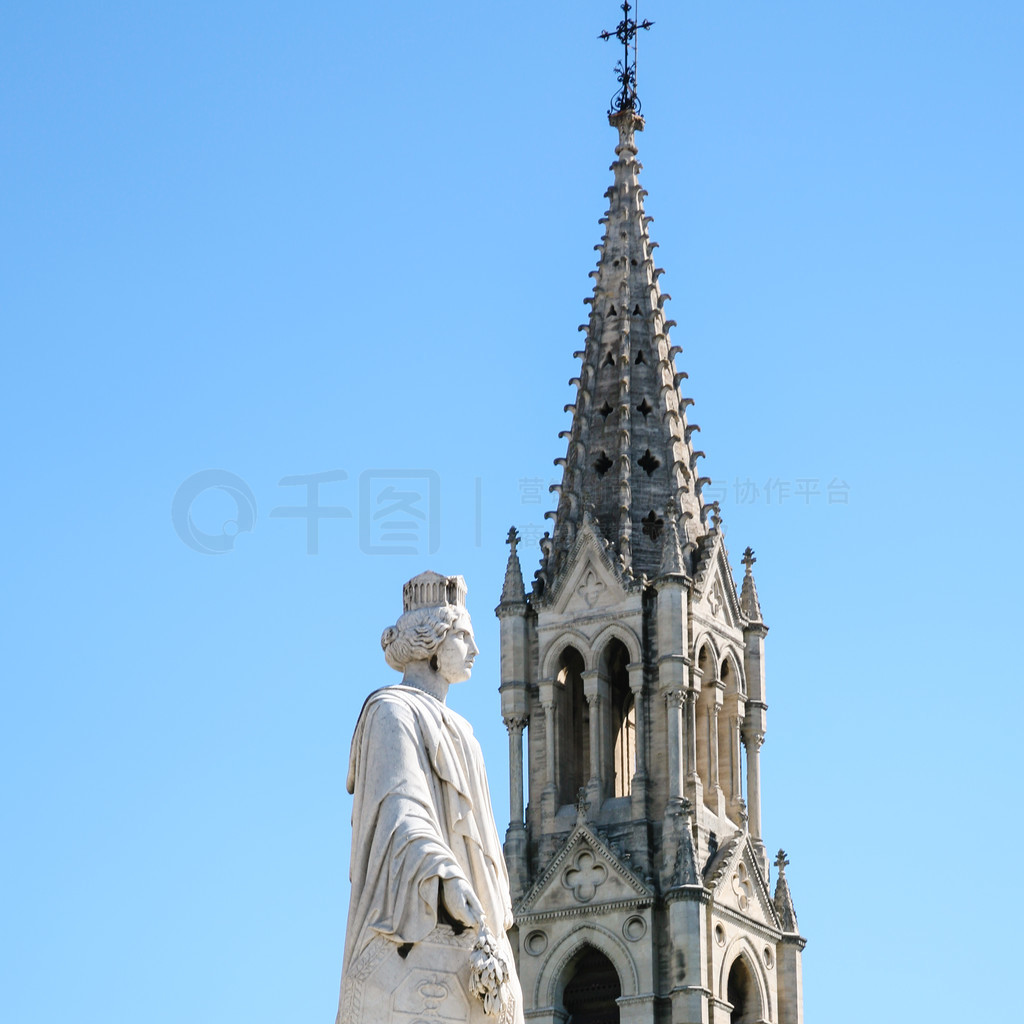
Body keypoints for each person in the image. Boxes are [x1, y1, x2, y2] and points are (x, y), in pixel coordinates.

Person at [336, 572, 523, 1024]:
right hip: (416, 931)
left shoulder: (467, 736)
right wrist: (448, 879)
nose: (475, 650)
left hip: (475, 947)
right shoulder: (391, 710)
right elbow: (400, 813)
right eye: (463, 636)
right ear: (430, 640)